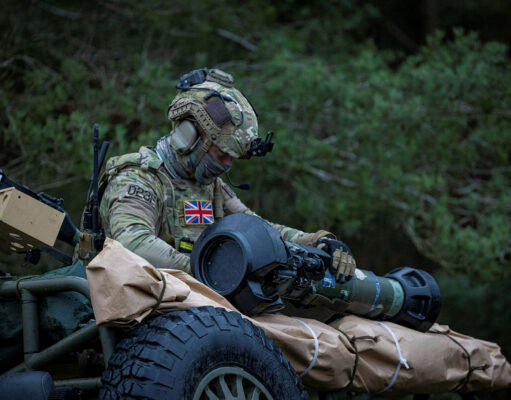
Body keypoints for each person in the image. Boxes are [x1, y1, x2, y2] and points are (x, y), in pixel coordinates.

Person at [98, 67, 356, 283]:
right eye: (222, 152)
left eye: (234, 156)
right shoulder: (137, 178)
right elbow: (133, 244)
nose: (228, 163)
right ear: (188, 137)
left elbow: (257, 229)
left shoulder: (211, 187)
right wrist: (211, 272)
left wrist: (315, 241)